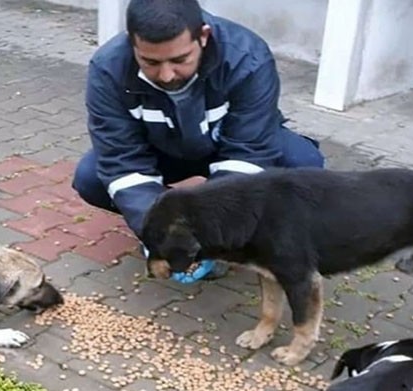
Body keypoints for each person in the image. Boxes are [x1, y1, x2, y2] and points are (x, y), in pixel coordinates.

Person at [72, 0, 324, 282]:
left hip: (230, 145)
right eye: (151, 62)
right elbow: (122, 161)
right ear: (132, 43)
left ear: (203, 36)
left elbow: (248, 154)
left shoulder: (248, 58)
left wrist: (210, 233)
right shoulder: (107, 69)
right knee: (91, 177)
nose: (166, 75)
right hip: (162, 149)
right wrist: (161, 230)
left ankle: (257, 237)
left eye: (179, 60)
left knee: (303, 164)